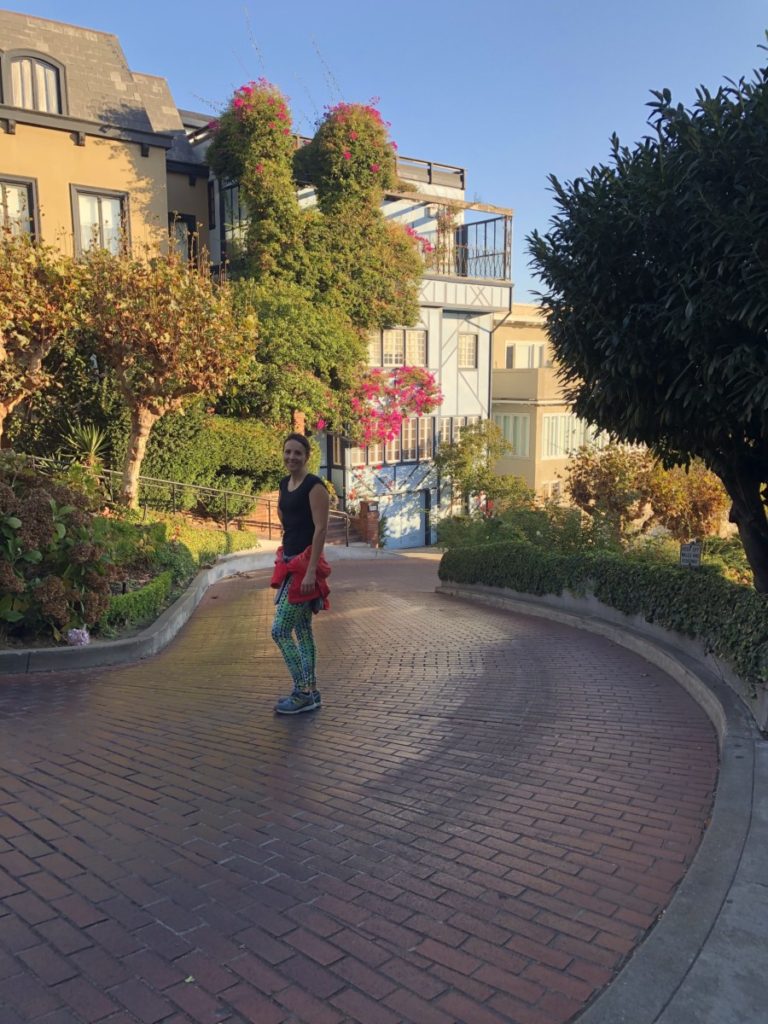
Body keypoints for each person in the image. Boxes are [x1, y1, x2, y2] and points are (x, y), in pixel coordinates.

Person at [270, 433, 330, 715]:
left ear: (307, 457)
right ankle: (311, 691)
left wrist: (309, 572)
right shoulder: (284, 484)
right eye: (287, 452)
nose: (291, 457)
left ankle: (302, 691)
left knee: (280, 630)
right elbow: (286, 522)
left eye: (297, 453)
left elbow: (321, 529)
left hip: (305, 567)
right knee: (302, 630)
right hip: (289, 563)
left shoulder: (314, 487)